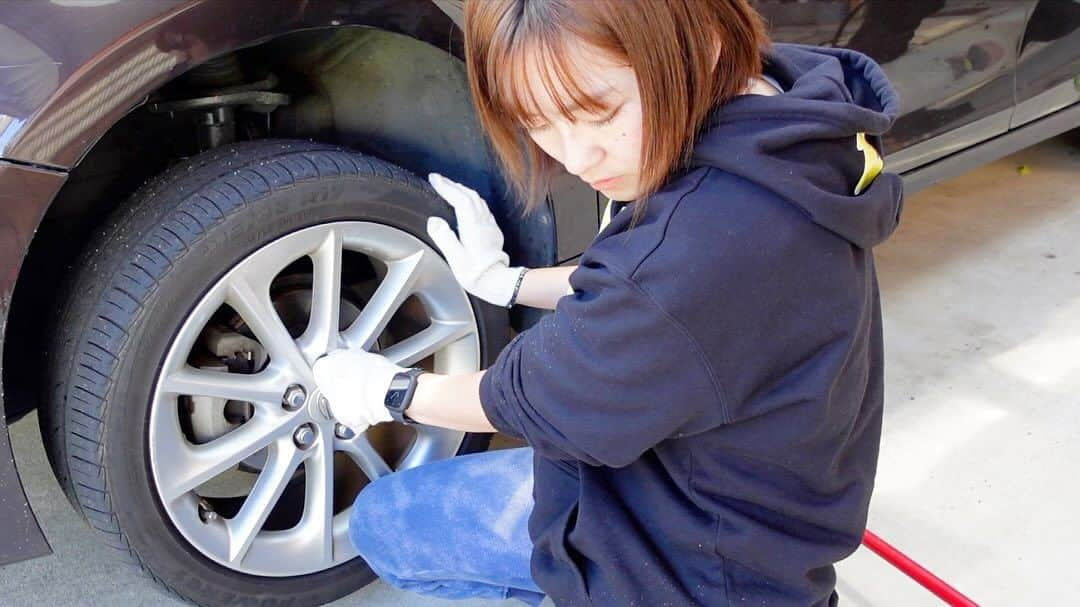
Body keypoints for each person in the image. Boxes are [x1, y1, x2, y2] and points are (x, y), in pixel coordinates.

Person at [312, 0, 903, 605]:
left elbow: (533, 396)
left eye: (598, 112)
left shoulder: (698, 250)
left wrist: (389, 391)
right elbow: (660, 298)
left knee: (384, 522)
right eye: (539, 122)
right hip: (750, 512)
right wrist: (511, 282)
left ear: (702, 43)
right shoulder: (784, 117)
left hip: (683, 572)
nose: (576, 156)